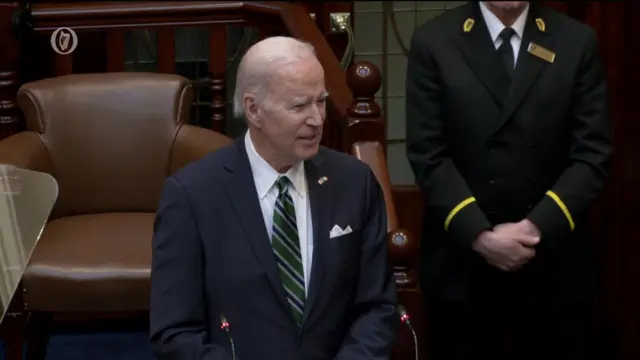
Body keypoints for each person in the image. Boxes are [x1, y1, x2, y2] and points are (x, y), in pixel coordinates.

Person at [150, 36, 398, 360]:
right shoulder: (192, 195)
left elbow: (377, 308)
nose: (317, 119)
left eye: (320, 101)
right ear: (254, 109)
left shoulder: (354, 182)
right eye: (299, 106)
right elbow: (174, 333)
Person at [406, 2, 611, 360]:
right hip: (463, 267)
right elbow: (429, 155)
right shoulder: (434, 41)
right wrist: (481, 236)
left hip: (552, 265)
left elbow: (592, 155)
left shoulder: (576, 41)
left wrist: (535, 228)